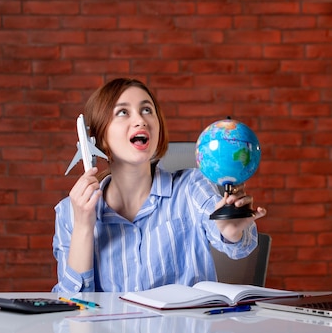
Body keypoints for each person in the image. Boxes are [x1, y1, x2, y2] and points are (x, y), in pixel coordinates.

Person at [52, 78, 267, 294]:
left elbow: (240, 246)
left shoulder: (191, 187)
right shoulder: (68, 213)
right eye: (123, 112)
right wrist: (83, 228)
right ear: (100, 138)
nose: (140, 120)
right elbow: (73, 307)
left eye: (147, 110)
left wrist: (230, 233)